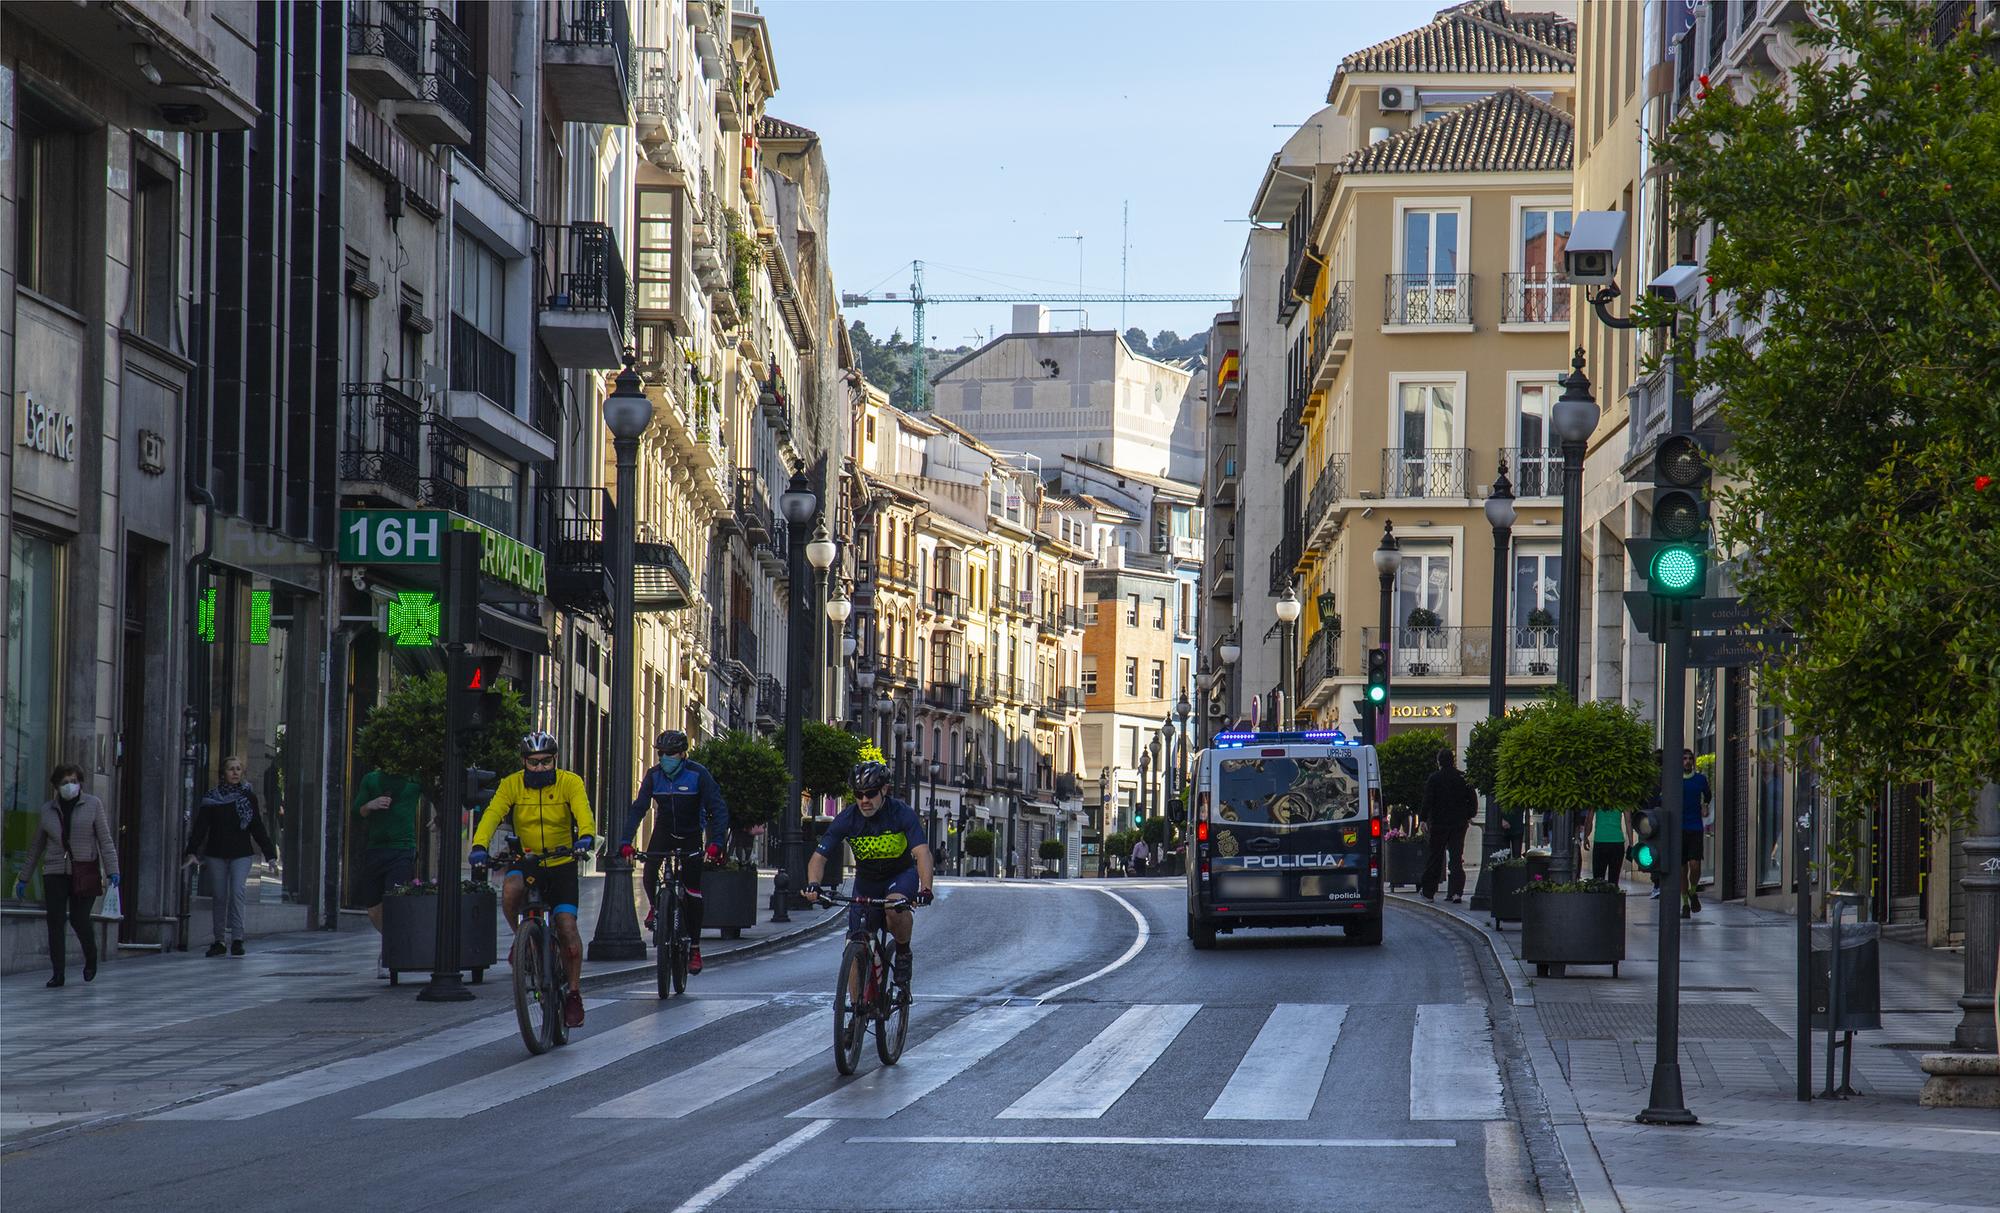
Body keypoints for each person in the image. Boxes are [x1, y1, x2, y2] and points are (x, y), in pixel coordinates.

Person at [469, 731, 595, 1029]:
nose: (540, 768)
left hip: (562, 862)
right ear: (524, 762)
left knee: (567, 929)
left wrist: (586, 835)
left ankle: (574, 994)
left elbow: (583, 811)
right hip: (527, 861)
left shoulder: (570, 782)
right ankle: (523, 940)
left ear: (555, 760)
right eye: (533, 763)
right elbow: (492, 814)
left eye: (546, 762)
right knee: (511, 891)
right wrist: (478, 845)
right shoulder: (511, 784)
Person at [802, 761, 934, 987]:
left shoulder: (901, 814)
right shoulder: (847, 818)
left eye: (871, 793)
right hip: (866, 881)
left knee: (894, 909)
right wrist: (813, 884)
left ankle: (903, 953)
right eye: (858, 794)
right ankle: (855, 1015)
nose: (864, 800)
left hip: (899, 875)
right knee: (854, 944)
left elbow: (922, 853)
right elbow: (819, 856)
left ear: (884, 790)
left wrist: (926, 889)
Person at [621, 730, 728, 975]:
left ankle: (695, 949)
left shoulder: (698, 774)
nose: (665, 758)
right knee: (649, 872)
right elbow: (639, 809)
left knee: (693, 892)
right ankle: (655, 907)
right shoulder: (654, 775)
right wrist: (626, 840)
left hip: (691, 835)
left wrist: (716, 843)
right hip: (664, 832)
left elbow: (718, 809)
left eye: (670, 754)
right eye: (662, 754)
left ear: (682, 754)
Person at [14, 764, 120, 987]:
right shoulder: (47, 810)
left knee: (79, 919)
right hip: (55, 872)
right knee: (55, 922)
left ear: (80, 782)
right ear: (56, 786)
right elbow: (36, 847)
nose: (69, 786)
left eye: (73, 780)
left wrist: (113, 871)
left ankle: (91, 957)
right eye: (64, 782)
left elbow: (105, 840)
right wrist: (24, 877)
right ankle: (58, 973)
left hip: (84, 871)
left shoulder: (93, 805)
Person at [183, 756, 276, 957]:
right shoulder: (211, 798)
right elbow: (200, 827)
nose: (235, 773)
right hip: (216, 853)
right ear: (223, 773)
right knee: (219, 896)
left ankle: (237, 939)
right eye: (230, 769)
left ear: (242, 773)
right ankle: (218, 941)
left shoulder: (248, 797)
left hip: (241, 854)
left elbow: (257, 826)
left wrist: (270, 855)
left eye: (238, 769)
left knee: (237, 892)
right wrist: (191, 851)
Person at [352, 767, 421, 979]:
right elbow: (357, 811)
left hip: (403, 849)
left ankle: (388, 953)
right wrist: (370, 805)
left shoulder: (414, 779)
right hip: (376, 849)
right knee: (373, 908)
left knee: (393, 900)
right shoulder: (371, 779)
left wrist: (438, 820)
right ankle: (393, 941)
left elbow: (439, 797)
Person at [1419, 749, 1478, 902]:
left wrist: (1423, 819)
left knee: (1435, 857)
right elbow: (1472, 800)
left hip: (1439, 823)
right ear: (1453, 760)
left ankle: (1429, 892)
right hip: (1458, 823)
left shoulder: (1434, 778)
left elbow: (1427, 801)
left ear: (1439, 762)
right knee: (1456, 857)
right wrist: (1468, 815)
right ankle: (1456, 892)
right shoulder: (1463, 778)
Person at [1680, 748, 1713, 918]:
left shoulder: (1700, 779)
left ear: (1693, 761)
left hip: (1695, 827)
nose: (1687, 761)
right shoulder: (1674, 780)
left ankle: (1693, 891)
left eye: (1689, 758)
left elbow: (1708, 795)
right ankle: (1685, 903)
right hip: (1678, 828)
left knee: (1695, 864)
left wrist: (1705, 805)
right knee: (1681, 869)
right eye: (1684, 758)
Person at [1590, 804, 1629, 885]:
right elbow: (1628, 821)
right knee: (1614, 877)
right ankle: (1613, 895)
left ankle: (1599, 896)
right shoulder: (1622, 800)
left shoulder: (1597, 800)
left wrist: (1586, 836)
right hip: (1617, 842)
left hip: (1600, 841)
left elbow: (1589, 819)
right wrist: (1631, 843)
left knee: (1598, 878)